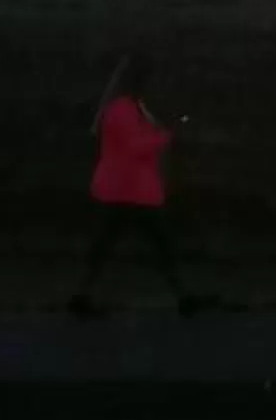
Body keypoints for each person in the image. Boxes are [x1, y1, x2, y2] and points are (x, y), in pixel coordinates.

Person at [70, 53, 195, 316]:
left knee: (109, 244)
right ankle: (183, 296)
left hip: (127, 188)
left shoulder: (130, 107)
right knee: (157, 245)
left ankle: (83, 294)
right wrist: (165, 137)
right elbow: (135, 147)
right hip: (129, 190)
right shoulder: (124, 109)